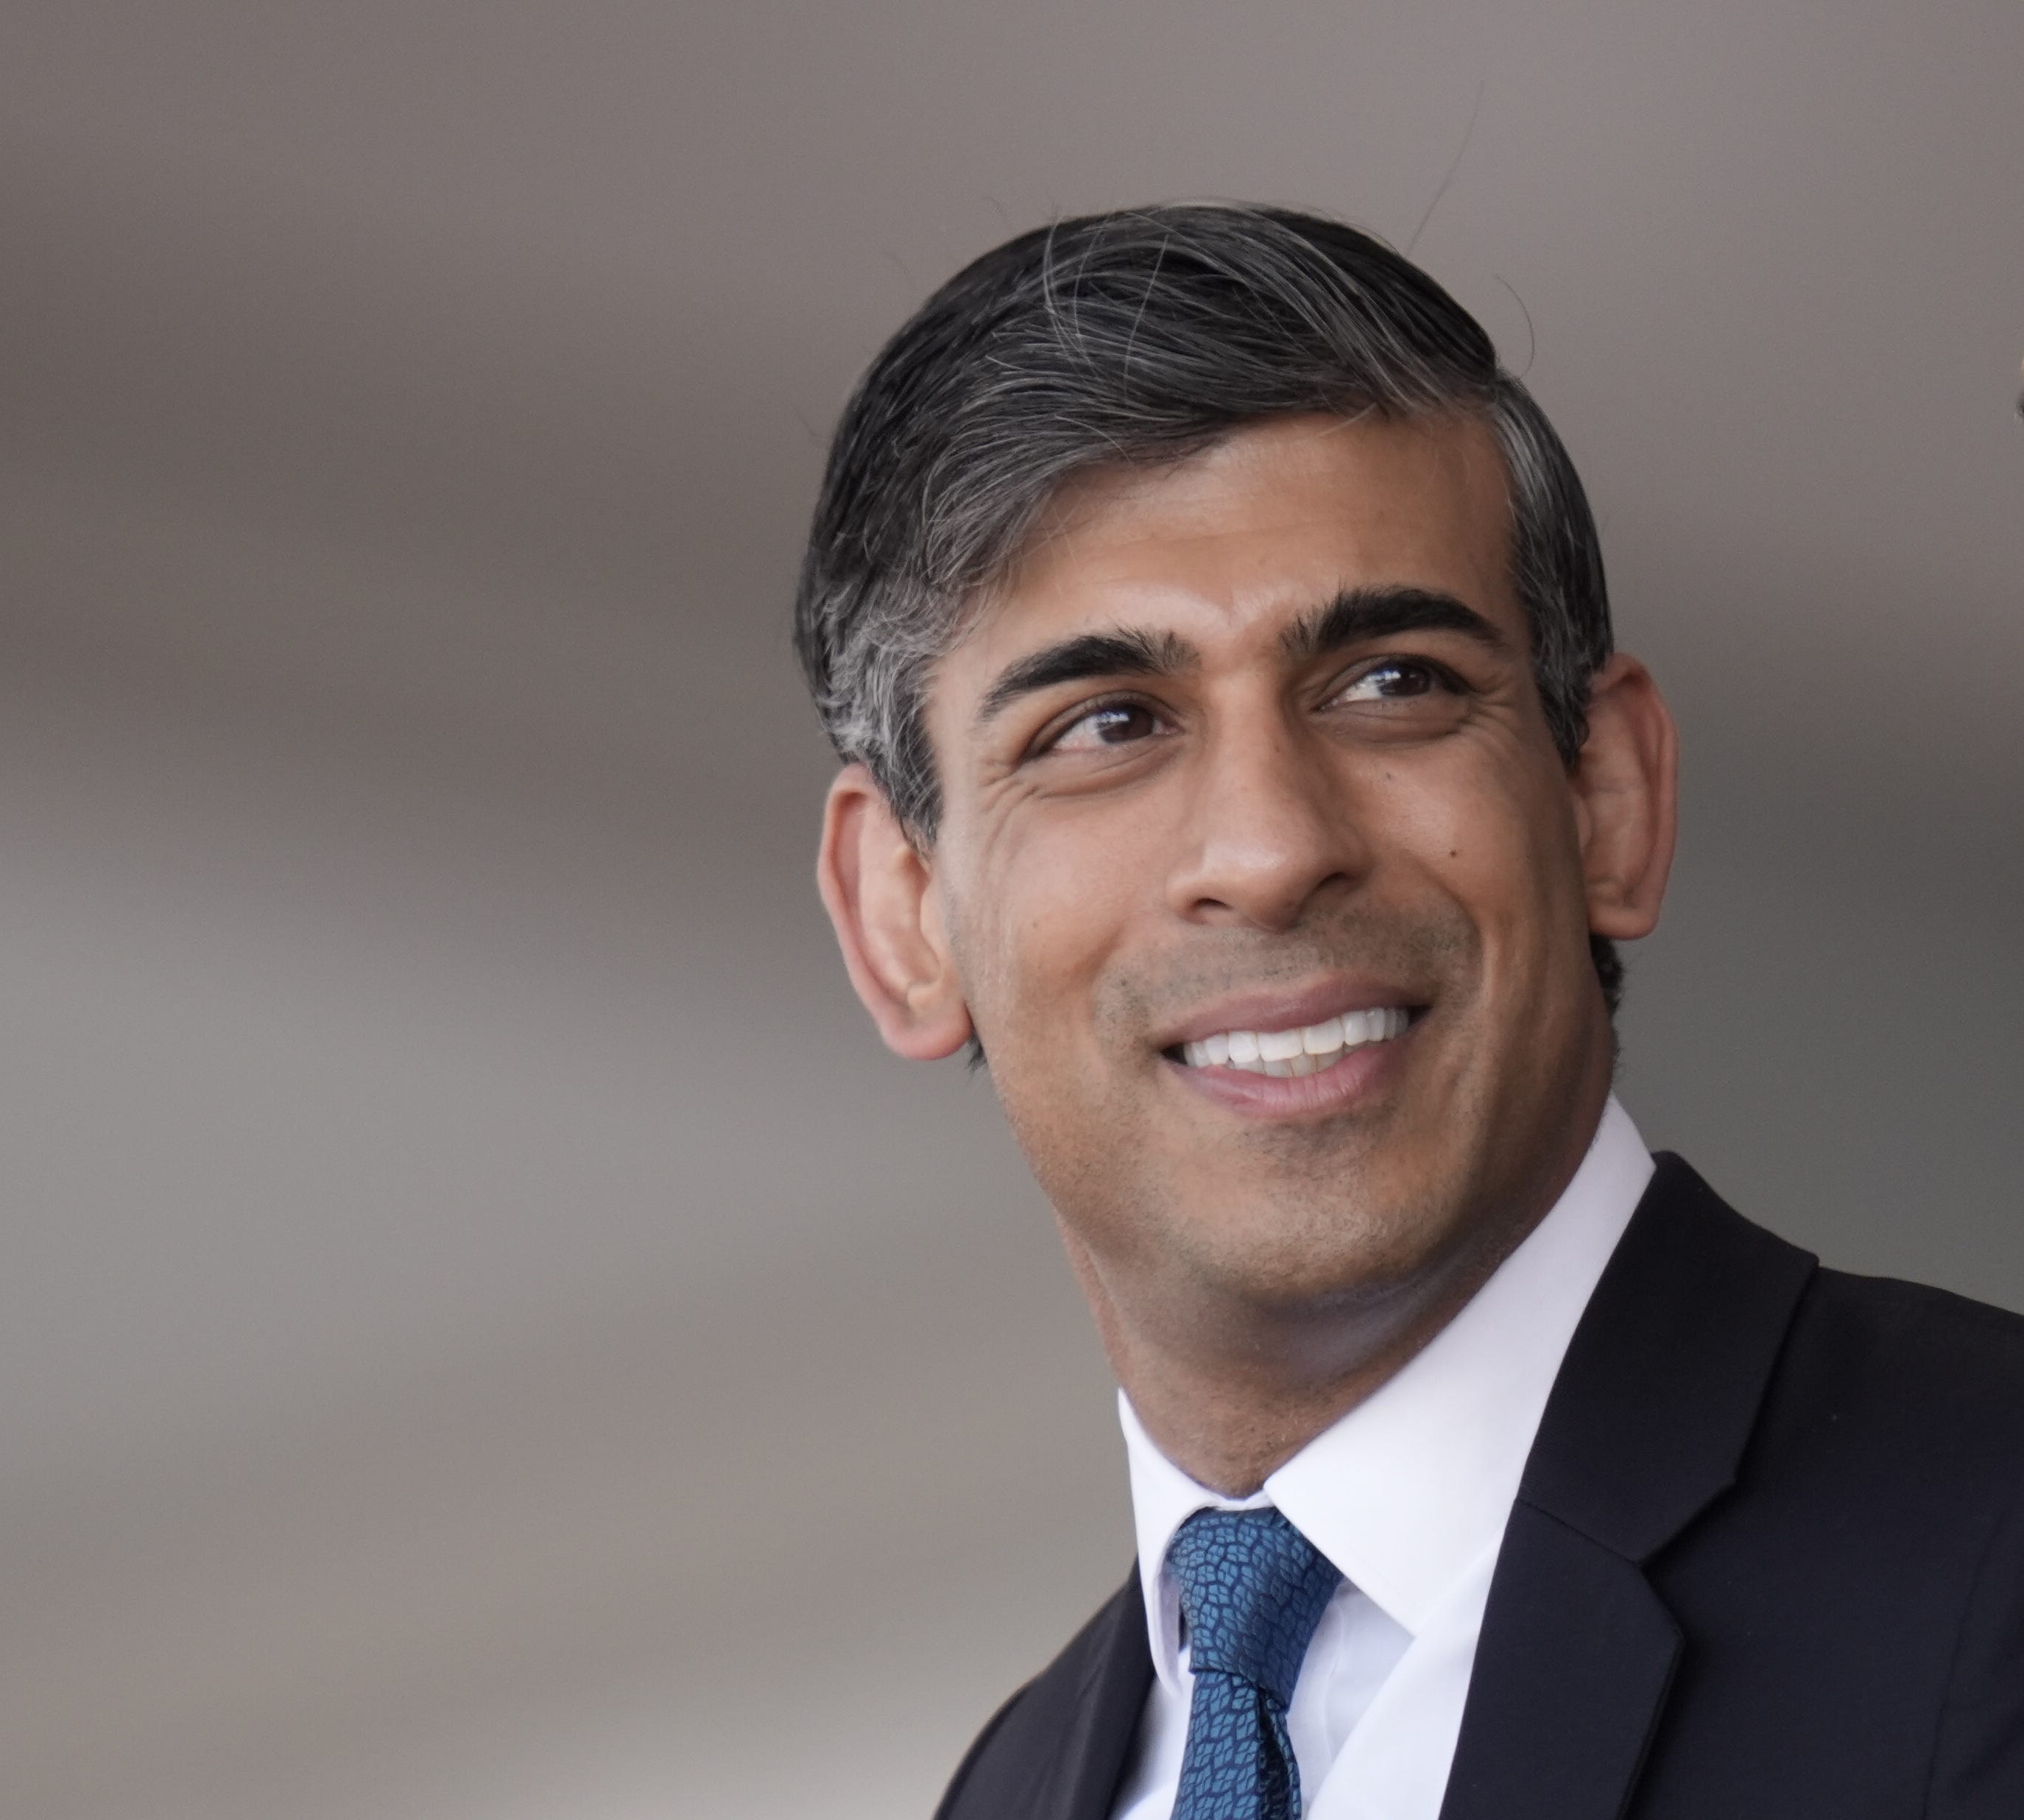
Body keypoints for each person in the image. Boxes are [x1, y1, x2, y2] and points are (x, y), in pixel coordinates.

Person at [795, 204, 2024, 1819]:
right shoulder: (1018, 1788)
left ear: (1607, 801)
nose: (1271, 846)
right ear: (903, 921)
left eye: (1395, 684)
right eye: (1106, 724)